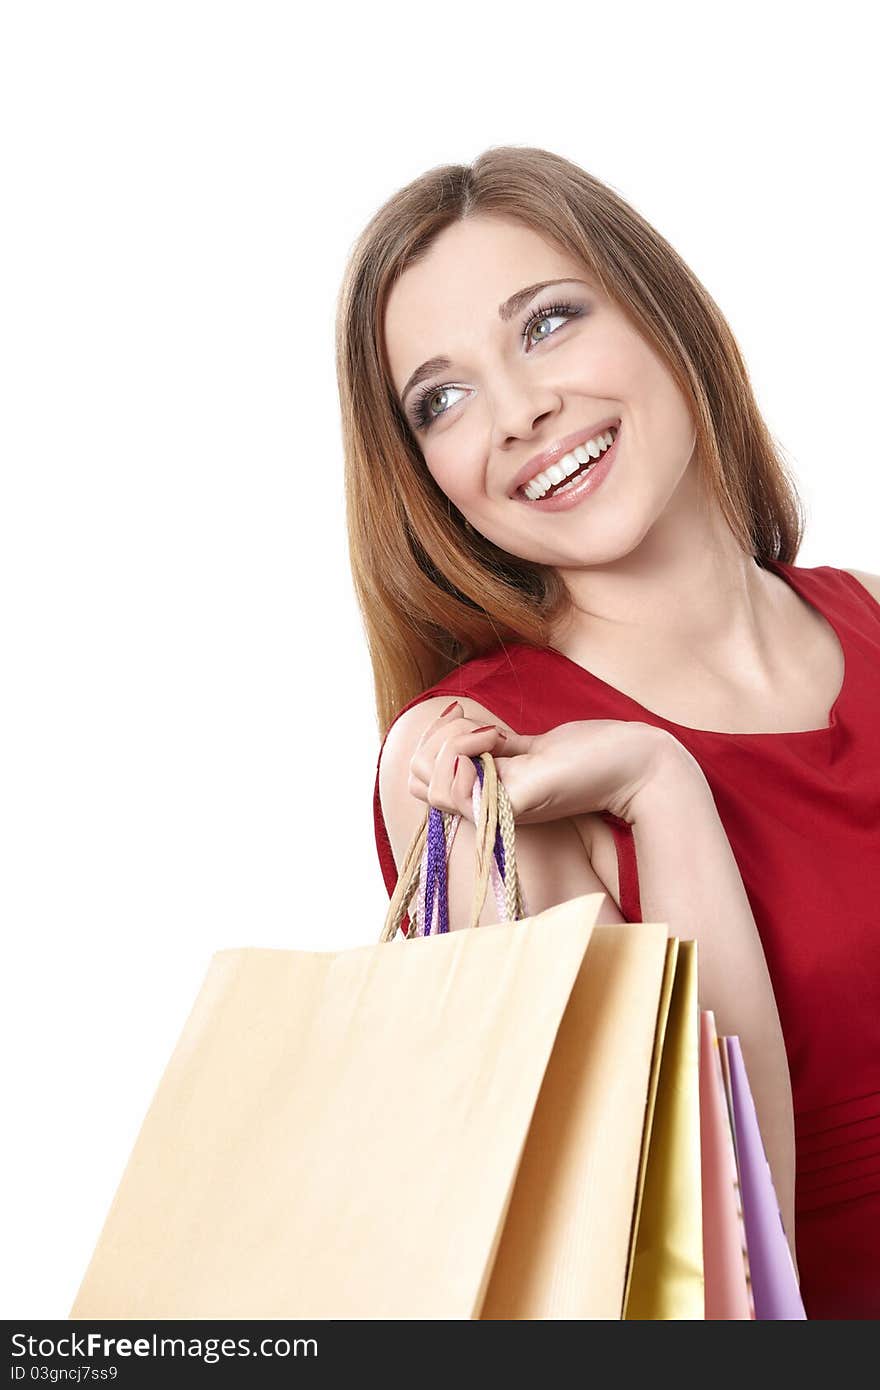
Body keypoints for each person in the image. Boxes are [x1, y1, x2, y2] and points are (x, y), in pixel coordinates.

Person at [334, 145, 880, 1320]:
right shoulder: (476, 759)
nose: (524, 410)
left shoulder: (874, 615)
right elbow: (698, 1276)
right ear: (428, 477)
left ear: (658, 308)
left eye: (546, 324)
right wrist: (660, 785)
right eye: (443, 397)